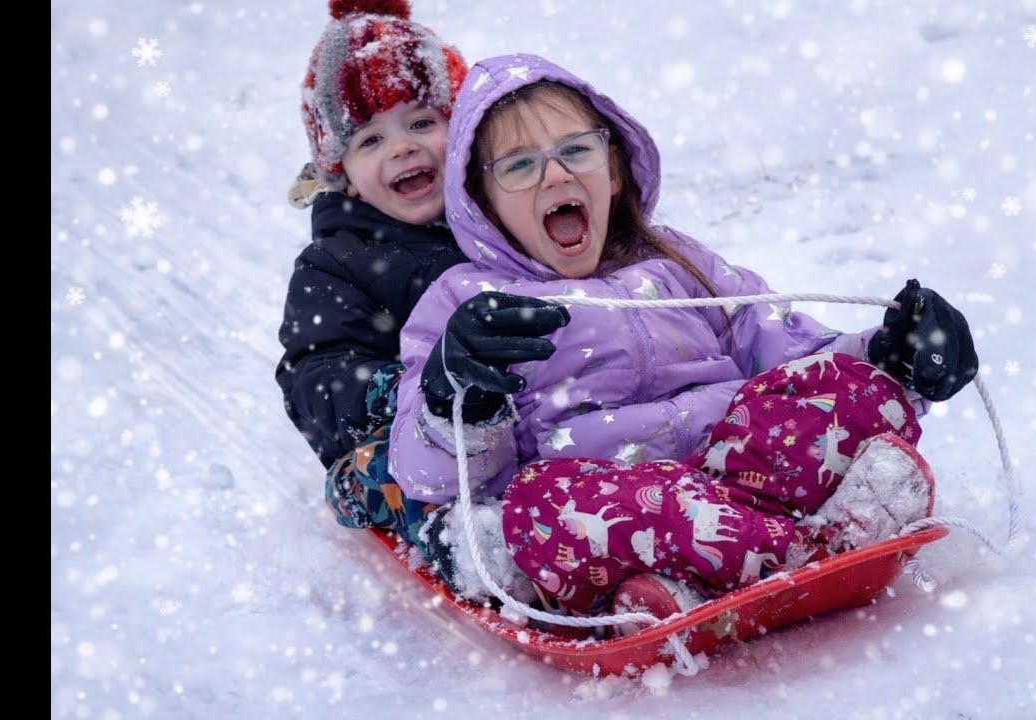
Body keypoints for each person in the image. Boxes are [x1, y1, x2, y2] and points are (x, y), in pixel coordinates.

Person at [387, 53, 978, 619]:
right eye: (519, 166)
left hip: (738, 476)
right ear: (483, 203)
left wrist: (890, 356)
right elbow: (429, 476)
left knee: (847, 389)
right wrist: (455, 396)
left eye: (576, 151)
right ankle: (806, 543)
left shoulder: (677, 263)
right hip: (605, 498)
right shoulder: (467, 304)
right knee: (542, 504)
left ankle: (697, 576)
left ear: (613, 170)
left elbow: (788, 350)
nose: (557, 173)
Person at [275, 0, 469, 551]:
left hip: (531, 417)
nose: (403, 146)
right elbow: (316, 375)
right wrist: (410, 391)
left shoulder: (507, 213)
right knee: (397, 468)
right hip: (425, 435)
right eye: (370, 140)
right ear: (344, 176)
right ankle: (475, 547)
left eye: (422, 122)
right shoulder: (336, 263)